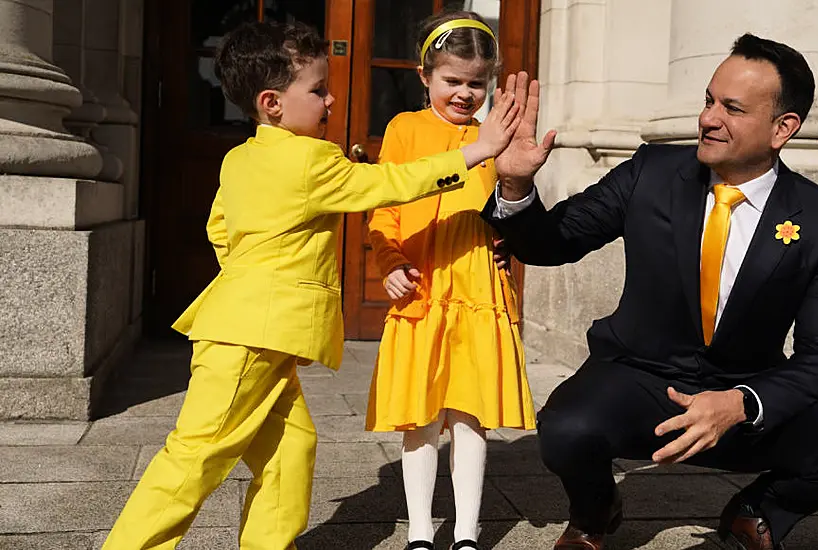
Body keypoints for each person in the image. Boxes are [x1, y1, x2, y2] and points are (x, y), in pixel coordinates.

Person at [102, 19, 522, 550]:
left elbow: (219, 230)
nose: (330, 100)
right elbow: (389, 184)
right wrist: (474, 151)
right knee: (196, 454)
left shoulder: (240, 157)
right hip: (252, 336)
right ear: (273, 102)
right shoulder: (313, 161)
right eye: (319, 90)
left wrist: (251, 280)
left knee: (290, 449)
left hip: (255, 329)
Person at [484, 33, 818, 550]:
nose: (709, 118)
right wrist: (515, 186)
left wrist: (742, 403)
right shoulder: (650, 172)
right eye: (708, 99)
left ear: (783, 128)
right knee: (564, 429)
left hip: (745, 391)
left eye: (732, 108)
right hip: (639, 379)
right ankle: (595, 512)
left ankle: (758, 511)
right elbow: (552, 242)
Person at [365, 11, 536, 550]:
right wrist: (388, 263)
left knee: (471, 415)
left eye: (476, 84)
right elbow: (383, 206)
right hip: (423, 287)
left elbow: (509, 209)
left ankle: (465, 533)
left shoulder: (496, 136)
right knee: (419, 417)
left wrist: (516, 195)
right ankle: (419, 530)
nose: (464, 94)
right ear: (425, 75)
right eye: (453, 81)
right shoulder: (405, 129)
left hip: (478, 288)